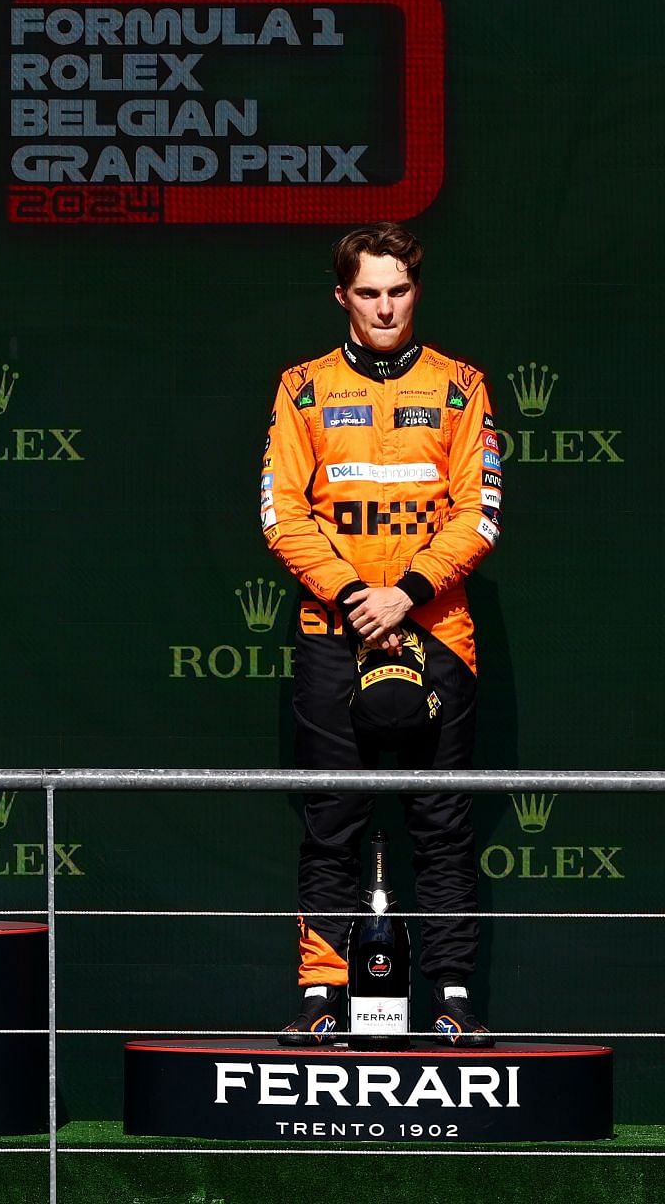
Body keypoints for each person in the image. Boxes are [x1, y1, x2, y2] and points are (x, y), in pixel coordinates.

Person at [262, 223, 498, 1047]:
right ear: (342, 297)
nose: (385, 306)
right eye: (368, 291)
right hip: (336, 627)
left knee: (441, 821)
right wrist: (359, 594)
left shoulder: (462, 388)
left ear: (416, 291)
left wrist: (407, 595)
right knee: (334, 818)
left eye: (398, 289)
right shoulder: (302, 390)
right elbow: (281, 514)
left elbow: (479, 515)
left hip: (439, 629)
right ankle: (321, 995)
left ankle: (456, 999)